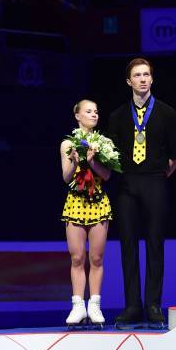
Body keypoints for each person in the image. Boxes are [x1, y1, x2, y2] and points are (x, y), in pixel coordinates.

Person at [107, 58, 176, 329]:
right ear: (129, 81)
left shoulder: (167, 113)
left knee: (154, 243)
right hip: (127, 184)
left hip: (155, 182)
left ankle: (153, 304)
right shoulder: (116, 117)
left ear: (152, 79)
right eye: (137, 75)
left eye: (146, 74)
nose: (142, 79)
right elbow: (110, 156)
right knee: (128, 244)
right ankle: (132, 305)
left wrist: (157, 176)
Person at [60, 99, 112, 328]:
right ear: (77, 116)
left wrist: (92, 162)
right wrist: (75, 162)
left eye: (96, 111)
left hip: (98, 202)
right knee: (77, 257)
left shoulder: (104, 143)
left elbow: (107, 176)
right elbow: (66, 177)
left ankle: (95, 306)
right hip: (76, 203)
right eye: (88, 111)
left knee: (96, 258)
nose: (94, 114)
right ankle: (78, 306)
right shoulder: (67, 144)